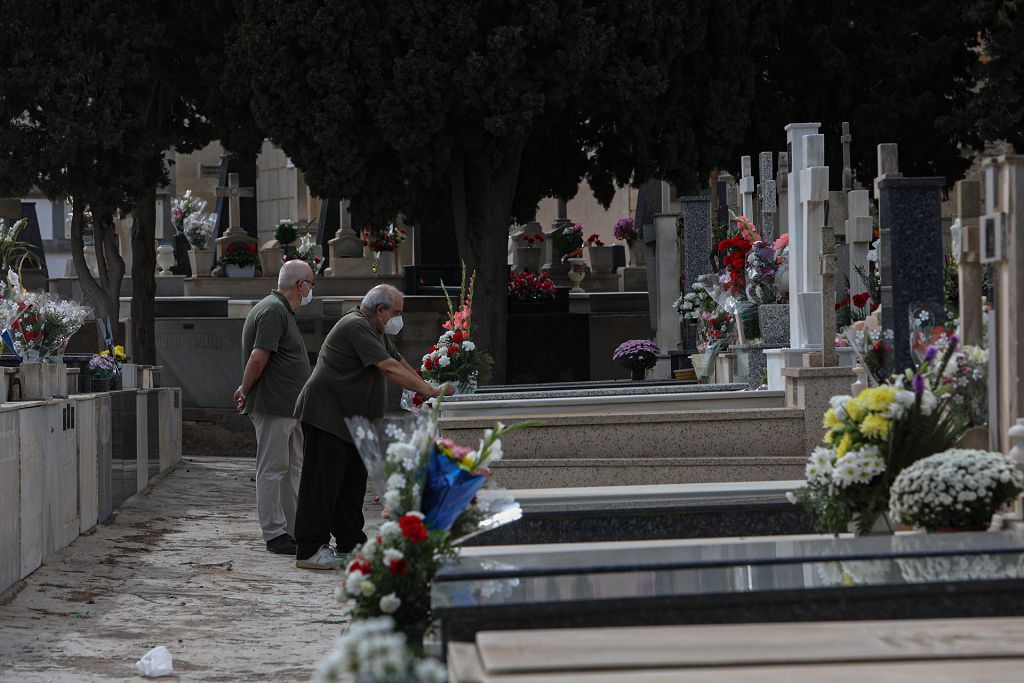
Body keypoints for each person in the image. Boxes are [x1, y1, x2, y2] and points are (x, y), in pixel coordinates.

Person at [292, 284, 453, 569]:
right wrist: (429, 391)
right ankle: (309, 549)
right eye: (397, 312)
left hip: (352, 421)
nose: (398, 319)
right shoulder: (356, 326)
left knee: (350, 486)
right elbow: (387, 368)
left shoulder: (374, 328)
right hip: (326, 414)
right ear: (381, 310)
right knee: (322, 485)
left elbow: (399, 361)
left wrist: (425, 385)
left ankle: (350, 545)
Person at [234, 259, 315, 555]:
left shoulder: (280, 310)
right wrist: (245, 388)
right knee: (272, 470)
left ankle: (293, 529)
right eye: (311, 283)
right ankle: (273, 532)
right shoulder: (272, 310)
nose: (311, 290)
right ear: (301, 285)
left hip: (288, 407)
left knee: (293, 468)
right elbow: (258, 357)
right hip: (274, 405)